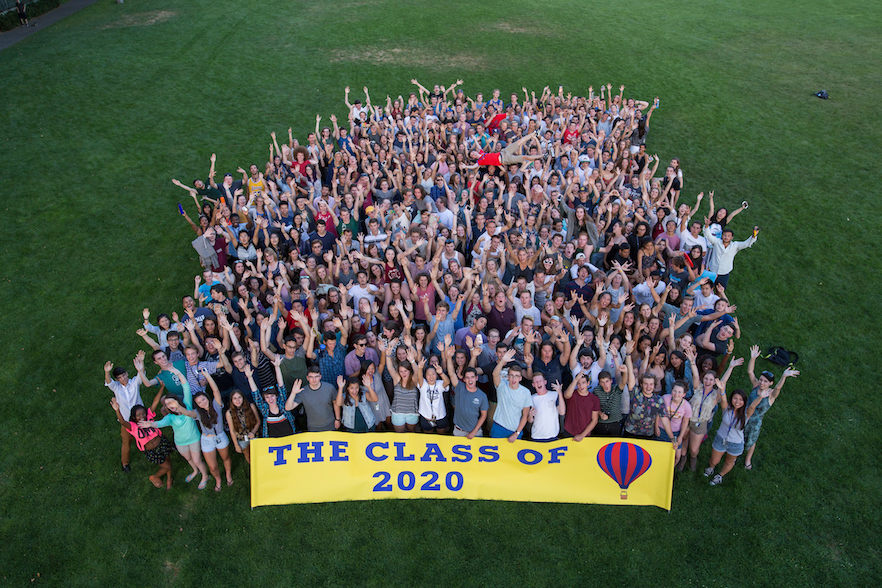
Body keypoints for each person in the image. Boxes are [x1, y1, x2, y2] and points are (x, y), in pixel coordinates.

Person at [137, 366, 210, 489]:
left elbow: (186, 386)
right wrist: (150, 424)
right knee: (188, 459)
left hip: (194, 439)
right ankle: (195, 471)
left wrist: (177, 372)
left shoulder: (186, 404)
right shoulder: (170, 417)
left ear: (176, 401)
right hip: (180, 443)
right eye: (167, 404)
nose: (169, 405)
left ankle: (204, 475)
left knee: (197, 460)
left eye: (171, 402)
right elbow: (159, 423)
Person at [743, 345, 800, 469]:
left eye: (765, 382)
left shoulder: (771, 395)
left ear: (770, 384)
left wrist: (784, 376)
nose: (762, 383)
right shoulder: (756, 386)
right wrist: (753, 358)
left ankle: (748, 459)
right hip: (744, 415)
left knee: (751, 441)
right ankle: (735, 453)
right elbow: (750, 372)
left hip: (755, 422)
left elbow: (778, 388)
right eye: (761, 380)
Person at [110, 392, 174, 490]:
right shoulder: (133, 427)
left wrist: (161, 388)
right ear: (134, 417)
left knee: (168, 459)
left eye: (143, 413)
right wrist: (117, 410)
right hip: (152, 451)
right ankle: (155, 477)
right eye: (138, 415)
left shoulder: (149, 417)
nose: (142, 416)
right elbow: (122, 422)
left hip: (162, 443)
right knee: (167, 466)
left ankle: (169, 479)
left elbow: (155, 402)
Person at [703, 381, 761, 486]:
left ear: (744, 401)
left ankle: (720, 475)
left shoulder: (746, 413)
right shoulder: (727, 409)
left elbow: (753, 406)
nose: (737, 402)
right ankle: (711, 468)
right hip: (720, 439)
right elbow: (723, 398)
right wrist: (721, 389)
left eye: (740, 400)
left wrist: (760, 397)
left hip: (735, 444)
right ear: (732, 399)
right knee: (713, 460)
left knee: (729, 462)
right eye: (735, 398)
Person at [103, 353, 146, 472]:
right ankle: (125, 463)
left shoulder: (134, 383)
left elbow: (141, 374)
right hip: (127, 422)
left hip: (141, 419)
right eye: (120, 378)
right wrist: (107, 371)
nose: (123, 379)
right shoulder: (116, 387)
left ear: (127, 373)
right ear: (117, 379)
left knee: (149, 436)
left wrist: (141, 364)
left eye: (124, 375)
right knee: (126, 443)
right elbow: (109, 382)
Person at [197, 370, 235, 490]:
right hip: (207, 440)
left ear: (207, 398)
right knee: (212, 467)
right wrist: (177, 407)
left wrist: (207, 376)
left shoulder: (216, 404)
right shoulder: (198, 413)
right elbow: (187, 412)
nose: (202, 403)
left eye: (203, 399)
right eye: (199, 402)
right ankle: (218, 479)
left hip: (220, 436)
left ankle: (228, 474)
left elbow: (216, 391)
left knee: (225, 457)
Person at [490, 350, 531, 442]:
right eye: (511, 375)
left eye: (516, 376)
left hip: (515, 429)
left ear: (520, 378)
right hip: (499, 427)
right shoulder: (502, 386)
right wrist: (502, 361)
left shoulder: (525, 392)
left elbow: (525, 416)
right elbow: (494, 374)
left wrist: (517, 433)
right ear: (508, 377)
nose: (513, 378)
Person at [289, 366, 341, 432]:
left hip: (330, 423)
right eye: (311, 377)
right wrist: (293, 393)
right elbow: (288, 407)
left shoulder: (329, 388)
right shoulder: (303, 392)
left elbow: (336, 404)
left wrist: (338, 419)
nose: (314, 379)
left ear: (320, 376)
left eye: (316, 376)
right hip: (313, 426)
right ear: (307, 378)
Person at [656, 381, 693, 470]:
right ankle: (658, 467)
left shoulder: (687, 406)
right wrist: (656, 427)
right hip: (661, 429)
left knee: (677, 455)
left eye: (679, 392)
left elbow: (685, 422)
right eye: (674, 391)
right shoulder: (665, 398)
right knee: (659, 451)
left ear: (684, 394)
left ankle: (670, 469)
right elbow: (657, 413)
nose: (676, 394)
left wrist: (681, 436)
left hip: (676, 432)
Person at [224, 388, 261, 464]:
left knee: (258, 454)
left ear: (243, 398)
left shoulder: (251, 406)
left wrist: (253, 432)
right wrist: (236, 445)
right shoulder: (229, 413)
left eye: (239, 397)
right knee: (248, 456)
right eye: (235, 398)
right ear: (231, 400)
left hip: (254, 435)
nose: (237, 401)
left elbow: (258, 421)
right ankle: (253, 469)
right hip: (241, 438)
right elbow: (232, 430)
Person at [530, 376, 566, 442]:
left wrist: (560, 393)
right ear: (533, 385)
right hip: (536, 436)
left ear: (545, 382)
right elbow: (530, 420)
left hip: (552, 435)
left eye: (540, 380)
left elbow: (562, 412)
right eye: (536, 381)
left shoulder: (555, 395)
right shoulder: (531, 398)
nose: (538, 383)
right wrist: (530, 415)